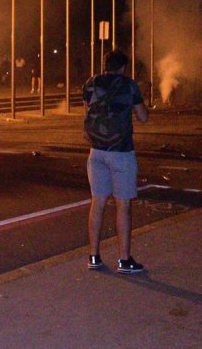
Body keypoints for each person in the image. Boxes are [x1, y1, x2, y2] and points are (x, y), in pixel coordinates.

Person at [83, 49, 149, 273]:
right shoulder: (129, 85)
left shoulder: (91, 83)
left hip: (96, 151)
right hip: (121, 152)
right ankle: (124, 259)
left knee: (98, 202)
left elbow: (90, 111)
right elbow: (143, 117)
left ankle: (93, 257)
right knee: (123, 205)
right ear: (123, 67)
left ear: (105, 65)